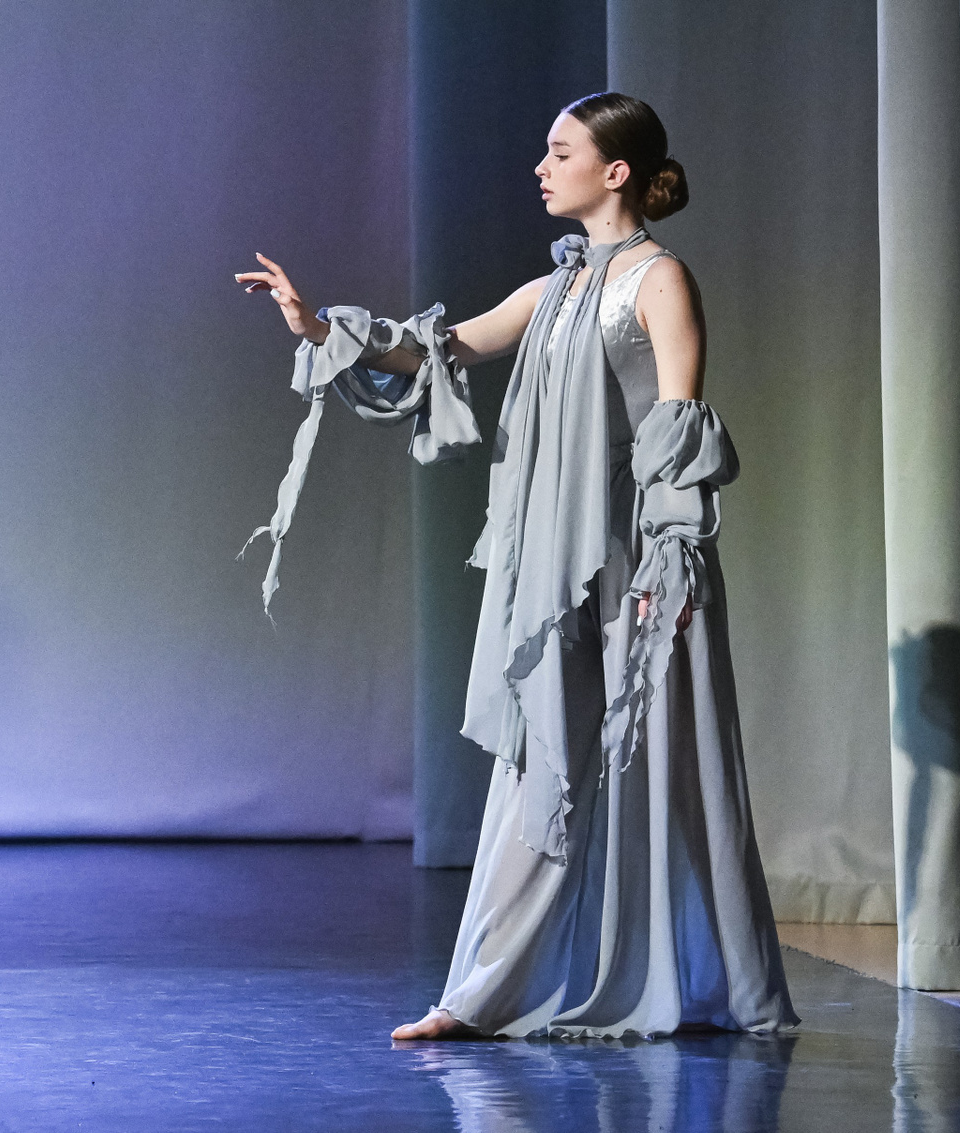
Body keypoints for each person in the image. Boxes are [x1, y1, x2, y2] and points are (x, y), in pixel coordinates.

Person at [236, 92, 798, 1040]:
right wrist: (318, 326)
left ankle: (707, 979)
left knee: (657, 757)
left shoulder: (660, 281)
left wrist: (670, 564)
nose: (541, 167)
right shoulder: (555, 289)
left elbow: (677, 428)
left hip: (634, 564)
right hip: (554, 565)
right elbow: (440, 349)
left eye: (560, 151)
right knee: (541, 758)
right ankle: (479, 993)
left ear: (615, 171)